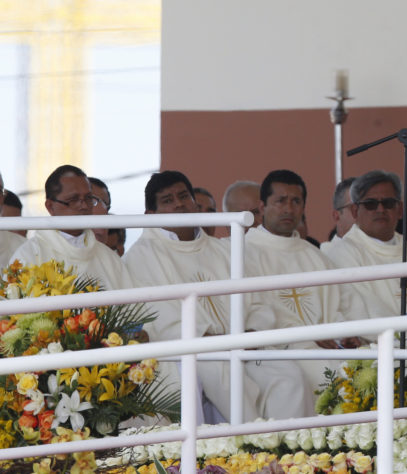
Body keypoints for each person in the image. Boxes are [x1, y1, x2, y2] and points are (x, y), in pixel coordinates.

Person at [124, 170, 310, 421]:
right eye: (168, 200)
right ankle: (251, 449)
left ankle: (292, 454)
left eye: (183, 196)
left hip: (242, 345)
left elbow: (257, 300)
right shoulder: (141, 257)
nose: (179, 204)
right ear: (151, 215)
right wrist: (213, 339)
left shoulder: (223, 249)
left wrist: (253, 332)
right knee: (223, 373)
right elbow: (159, 318)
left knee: (289, 377)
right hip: (195, 351)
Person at [243, 169, 366, 391]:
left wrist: (343, 334)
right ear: (262, 207)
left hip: (328, 347)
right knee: (330, 380)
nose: (289, 209)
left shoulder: (315, 255)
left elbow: (344, 303)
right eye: (280, 201)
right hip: (278, 350)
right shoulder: (244, 253)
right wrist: (309, 336)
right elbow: (255, 314)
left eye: (296, 201)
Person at [321, 170, 407, 318]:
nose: (380, 210)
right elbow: (361, 310)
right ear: (355, 211)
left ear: (400, 210)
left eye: (388, 203)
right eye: (370, 204)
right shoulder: (342, 255)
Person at [10, 165, 132, 293]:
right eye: (73, 200)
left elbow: (132, 309)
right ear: (50, 206)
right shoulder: (29, 256)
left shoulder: (109, 259)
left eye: (88, 198)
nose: (84, 206)